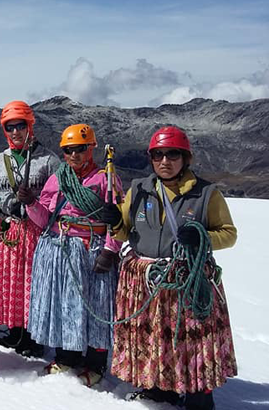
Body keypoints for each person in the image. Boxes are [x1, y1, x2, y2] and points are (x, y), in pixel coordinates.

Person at [103, 126, 237, 410]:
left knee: (192, 341)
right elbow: (126, 232)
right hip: (148, 280)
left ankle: (199, 398)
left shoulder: (206, 194)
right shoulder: (139, 189)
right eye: (158, 155)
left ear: (185, 158)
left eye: (172, 154)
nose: (165, 161)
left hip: (186, 281)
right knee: (153, 337)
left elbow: (229, 233)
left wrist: (202, 237)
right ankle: (160, 389)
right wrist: (114, 221)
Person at [24, 124, 122, 387]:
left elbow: (117, 220)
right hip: (60, 247)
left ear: (91, 149)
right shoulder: (57, 179)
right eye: (68, 151)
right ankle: (66, 356)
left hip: (91, 249)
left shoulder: (105, 179)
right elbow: (44, 218)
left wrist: (111, 250)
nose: (73, 155)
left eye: (79, 149)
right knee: (64, 305)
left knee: (95, 306)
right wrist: (31, 203)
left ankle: (95, 362)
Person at [0, 100, 61, 356]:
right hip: (4, 229)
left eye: (20, 126)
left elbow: (57, 200)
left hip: (33, 231)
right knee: (8, 283)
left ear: (29, 126)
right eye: (10, 127)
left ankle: (33, 338)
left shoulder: (48, 160)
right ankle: (15, 333)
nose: (16, 132)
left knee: (30, 285)